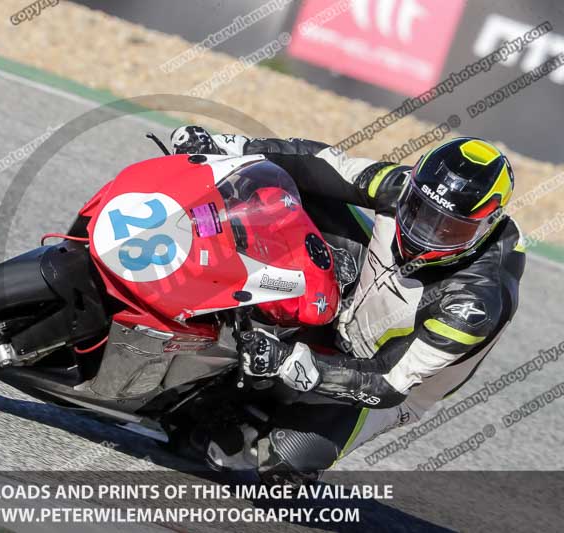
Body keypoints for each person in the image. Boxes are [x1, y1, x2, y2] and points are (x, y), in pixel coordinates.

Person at [170, 126, 525, 482]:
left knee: (283, 468)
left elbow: (388, 382)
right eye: (418, 210)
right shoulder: (403, 187)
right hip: (353, 300)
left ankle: (251, 421)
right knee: (278, 188)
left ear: (486, 226)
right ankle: (190, 269)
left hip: (380, 380)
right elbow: (324, 165)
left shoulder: (476, 303)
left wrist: (289, 360)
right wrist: (237, 148)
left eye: (449, 229)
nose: (423, 231)